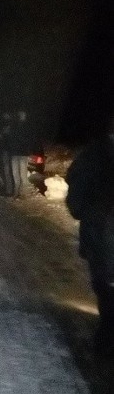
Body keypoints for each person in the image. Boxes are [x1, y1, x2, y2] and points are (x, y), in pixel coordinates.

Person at [65, 115, 114, 357]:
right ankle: (105, 341)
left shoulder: (95, 152)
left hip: (101, 230)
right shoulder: (96, 154)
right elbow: (75, 179)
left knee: (106, 285)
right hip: (101, 231)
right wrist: (80, 209)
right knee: (105, 284)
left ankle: (105, 339)